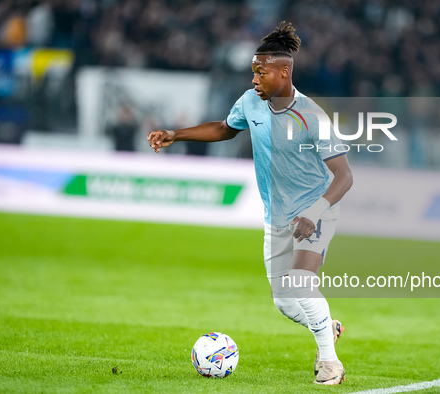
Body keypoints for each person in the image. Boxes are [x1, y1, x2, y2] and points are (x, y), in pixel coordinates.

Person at [147, 21, 353, 385]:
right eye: (253, 72)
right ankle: (327, 326)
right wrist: (176, 134)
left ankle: (330, 363)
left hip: (316, 212)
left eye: (261, 72)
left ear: (283, 71)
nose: (255, 79)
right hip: (277, 217)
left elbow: (345, 177)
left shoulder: (311, 117)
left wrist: (315, 212)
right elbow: (226, 128)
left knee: (301, 284)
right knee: (284, 302)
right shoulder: (249, 102)